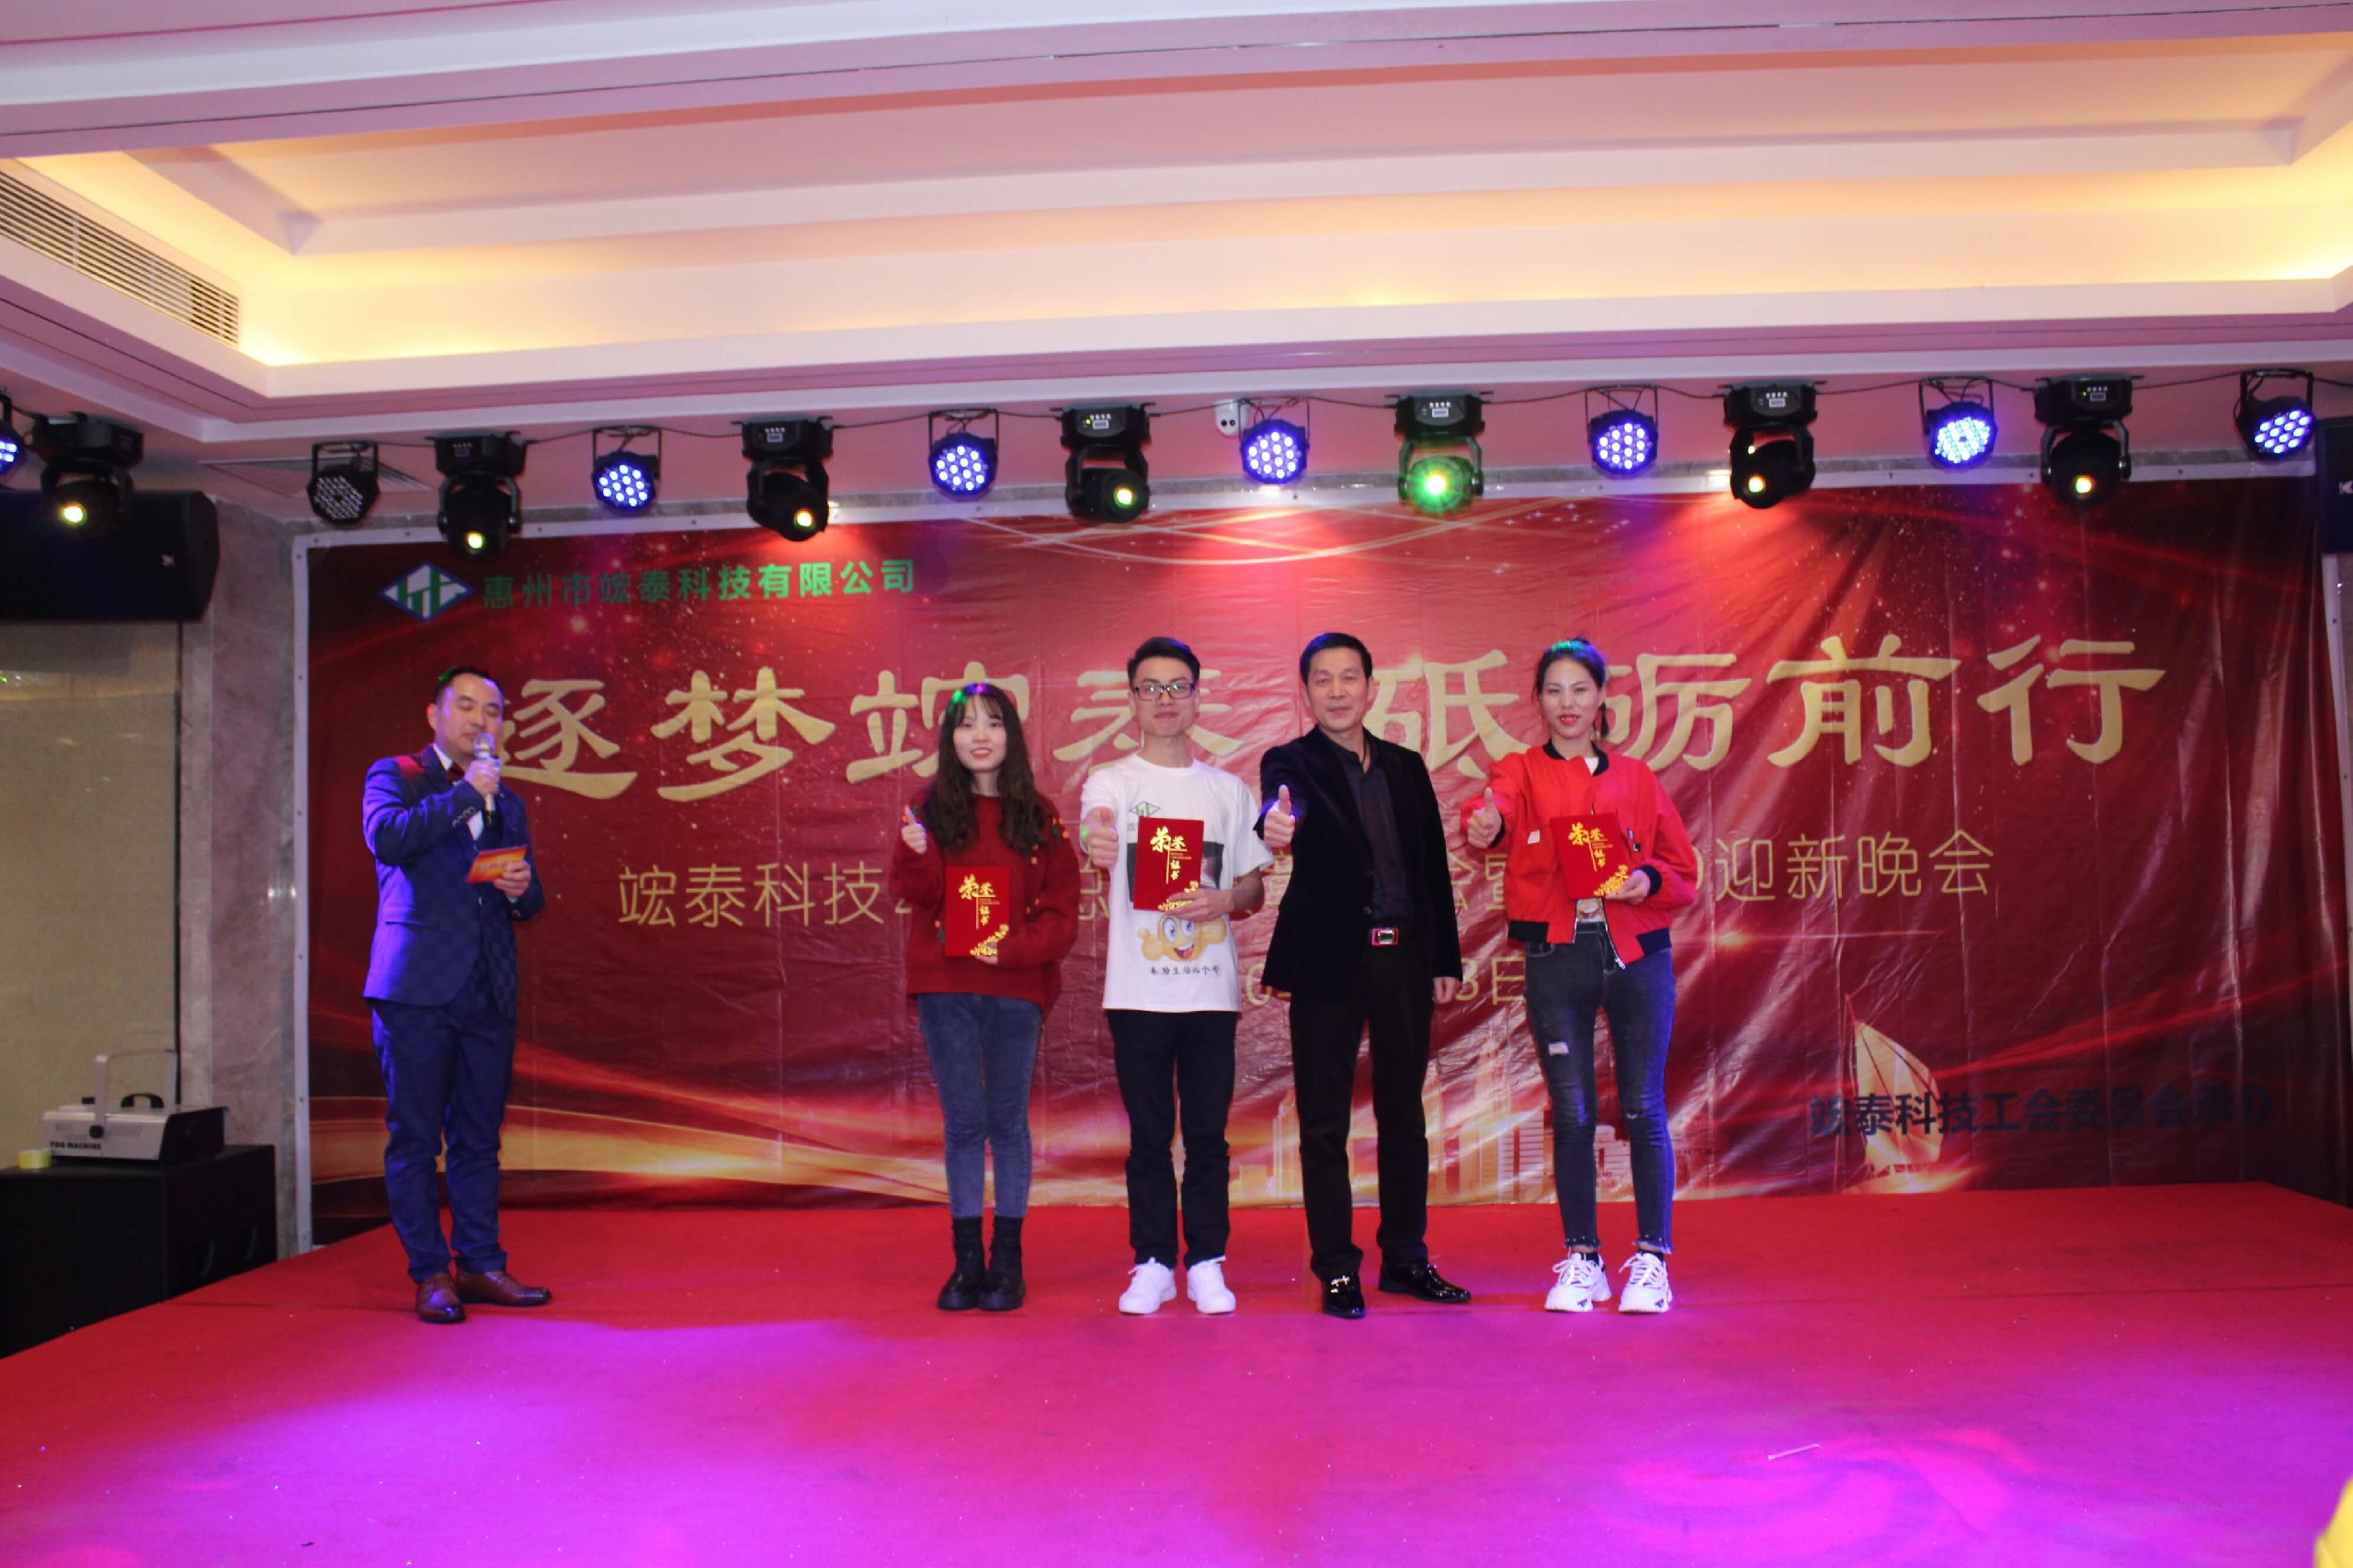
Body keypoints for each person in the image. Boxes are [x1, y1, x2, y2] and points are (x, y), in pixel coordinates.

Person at [1462, 638, 1699, 1314]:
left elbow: (1682, 872)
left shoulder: (1638, 777)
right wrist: (1485, 823)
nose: (1567, 703)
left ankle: (1652, 1260)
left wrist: (1645, 878)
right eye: (1554, 690)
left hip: (1637, 956)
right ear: (1538, 701)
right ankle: (1583, 1259)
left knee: (1643, 1106)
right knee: (1571, 1113)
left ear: (1601, 699)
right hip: (1557, 958)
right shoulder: (1520, 771)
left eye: (1579, 689)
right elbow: (1493, 812)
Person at [1258, 631, 1470, 1319]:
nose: (1338, 691)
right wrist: (1276, 824)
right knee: (1324, 1123)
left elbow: (1433, 866)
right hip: (1327, 960)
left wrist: (1444, 958)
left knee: (1404, 1115)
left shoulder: (1406, 766)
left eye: (1349, 677)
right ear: (1306, 692)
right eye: (1322, 679)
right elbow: (1279, 809)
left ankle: (1406, 1258)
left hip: (1404, 957)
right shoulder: (1290, 761)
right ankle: (1336, 1270)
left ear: (1372, 688)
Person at [1079, 637, 1271, 1316]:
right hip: (1137, 993)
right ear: (1131, 699)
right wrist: (1099, 837)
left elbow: (1253, 888)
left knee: (1209, 1137)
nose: (1164, 700)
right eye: (1150, 688)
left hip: (1209, 992)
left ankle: (1208, 1262)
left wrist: (1225, 899)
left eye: (1177, 687)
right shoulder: (1113, 781)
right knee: (1149, 1137)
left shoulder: (1227, 790)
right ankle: (1154, 1262)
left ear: (1196, 697)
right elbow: (1097, 826)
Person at [361, 665, 550, 1325]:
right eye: (466, 706)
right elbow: (388, 838)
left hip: (487, 988)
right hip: (417, 987)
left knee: (477, 1137)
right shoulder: (396, 775)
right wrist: (467, 794)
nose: (480, 720)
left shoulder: (509, 801)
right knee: (415, 1137)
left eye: (492, 711)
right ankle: (431, 1274)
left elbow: (530, 899)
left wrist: (521, 888)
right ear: (434, 714)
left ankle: (480, 1263)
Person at [889, 683, 1080, 1313]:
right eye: (966, 724)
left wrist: (1014, 948)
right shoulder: (927, 807)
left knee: (1007, 1122)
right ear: (950, 738)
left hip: (1015, 988)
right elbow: (916, 893)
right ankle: (966, 1261)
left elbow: (1062, 912)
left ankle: (1007, 1261)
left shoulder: (1039, 815)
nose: (979, 735)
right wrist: (914, 853)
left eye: (993, 723)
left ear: (1011, 736)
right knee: (965, 1124)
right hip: (945, 987)